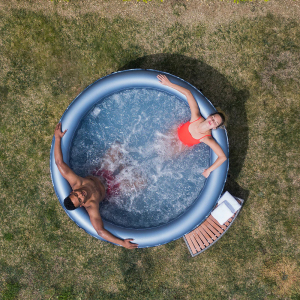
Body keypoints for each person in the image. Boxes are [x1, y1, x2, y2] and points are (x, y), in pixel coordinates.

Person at [54, 123, 138, 249]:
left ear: (72, 192)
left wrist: (58, 138)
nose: (81, 194)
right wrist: (121, 243)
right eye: (80, 199)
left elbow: (59, 163)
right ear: (82, 204)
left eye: (76, 194)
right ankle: (124, 167)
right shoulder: (91, 205)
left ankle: (125, 163)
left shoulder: (76, 182)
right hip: (112, 188)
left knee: (118, 145)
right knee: (142, 182)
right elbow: (100, 231)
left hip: (102, 172)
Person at [157, 74, 227, 178]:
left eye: (215, 122)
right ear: (209, 116)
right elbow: (188, 93)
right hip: (175, 132)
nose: (212, 121)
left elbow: (223, 157)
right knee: (157, 146)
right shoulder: (196, 117)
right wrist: (168, 84)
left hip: (181, 146)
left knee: (162, 158)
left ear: (215, 127)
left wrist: (209, 170)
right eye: (213, 118)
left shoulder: (207, 138)